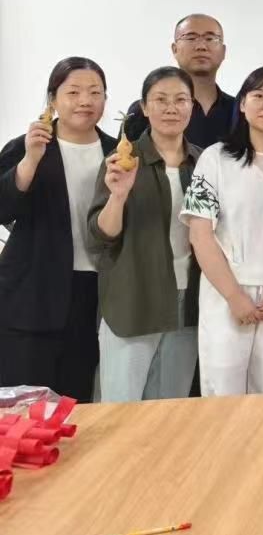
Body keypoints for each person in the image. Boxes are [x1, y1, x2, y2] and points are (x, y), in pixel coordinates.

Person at [181, 66, 263, 399]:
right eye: (258, 95)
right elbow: (200, 235)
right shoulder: (215, 159)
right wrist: (234, 297)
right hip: (225, 291)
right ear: (242, 104)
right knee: (222, 391)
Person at [0, 58, 113, 402]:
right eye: (73, 92)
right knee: (23, 401)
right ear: (53, 99)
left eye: (95, 92)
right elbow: (4, 209)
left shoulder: (116, 150)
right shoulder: (26, 146)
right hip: (32, 291)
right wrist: (31, 160)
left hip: (93, 290)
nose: (85, 101)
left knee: (76, 400)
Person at [87, 67, 200, 402]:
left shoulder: (203, 162)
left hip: (189, 302)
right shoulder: (123, 161)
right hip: (133, 299)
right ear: (145, 107)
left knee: (170, 409)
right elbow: (100, 236)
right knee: (120, 408)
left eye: (180, 100)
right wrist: (119, 196)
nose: (171, 108)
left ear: (192, 106)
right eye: (160, 100)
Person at [127, 14, 236, 148]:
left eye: (210, 38)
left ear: (223, 51)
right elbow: (126, 156)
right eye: (190, 38)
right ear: (175, 49)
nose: (201, 46)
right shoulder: (147, 109)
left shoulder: (240, 110)